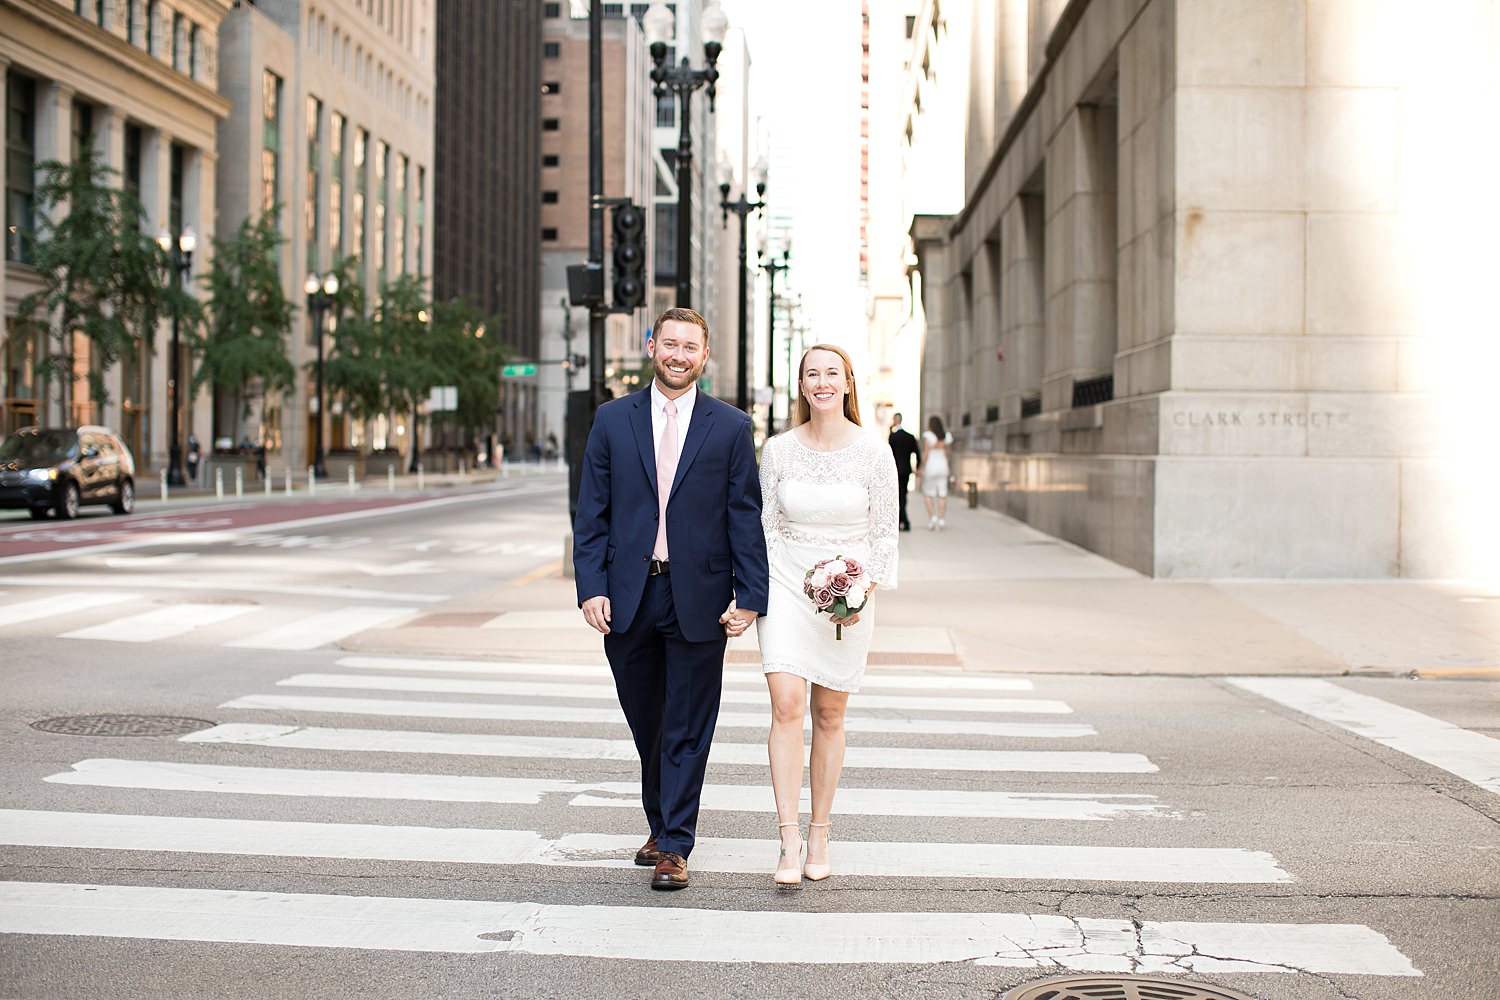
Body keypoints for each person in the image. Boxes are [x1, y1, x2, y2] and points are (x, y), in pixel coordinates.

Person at [573, 306, 769, 892]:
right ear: (651, 345)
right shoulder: (612, 420)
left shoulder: (730, 427)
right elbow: (592, 513)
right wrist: (591, 587)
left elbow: (744, 514)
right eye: (671, 344)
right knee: (647, 721)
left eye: (691, 347)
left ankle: (675, 844)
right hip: (630, 594)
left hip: (701, 595)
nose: (679, 355)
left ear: (704, 357)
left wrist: (751, 595)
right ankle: (661, 823)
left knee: (688, 723)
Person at [756, 344, 899, 889]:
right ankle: (788, 839)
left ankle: (820, 831)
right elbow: (766, 527)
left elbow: (885, 531)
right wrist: (752, 593)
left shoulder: (873, 451)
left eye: (830, 374)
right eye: (811, 373)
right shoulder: (777, 451)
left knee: (829, 716)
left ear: (847, 384)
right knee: (787, 704)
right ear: (801, 384)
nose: (821, 382)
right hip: (787, 585)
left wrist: (861, 589)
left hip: (847, 592)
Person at [917, 414, 952, 530]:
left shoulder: (929, 436)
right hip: (943, 466)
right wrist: (948, 468)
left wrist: (921, 467)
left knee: (928, 493)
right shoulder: (946, 436)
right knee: (942, 494)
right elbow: (948, 454)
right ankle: (941, 519)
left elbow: (926, 454)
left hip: (931, 466)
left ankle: (933, 517)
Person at [887, 412, 919, 531]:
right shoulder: (910, 437)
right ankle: (903, 520)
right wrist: (918, 467)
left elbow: (889, 453)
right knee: (903, 495)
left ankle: (903, 520)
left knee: (898, 497)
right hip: (906, 470)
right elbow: (917, 453)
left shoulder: (893, 436)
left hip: (895, 470)